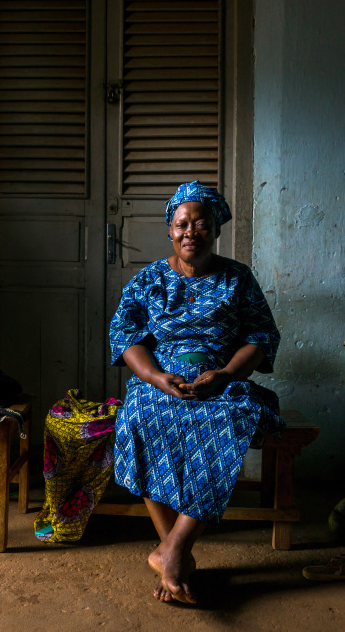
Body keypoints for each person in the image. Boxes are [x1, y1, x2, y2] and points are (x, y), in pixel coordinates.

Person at [109, 180, 285, 604]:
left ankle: (171, 549)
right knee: (139, 416)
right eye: (182, 223)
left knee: (230, 418)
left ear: (216, 228)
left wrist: (225, 374)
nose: (191, 231)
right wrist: (154, 377)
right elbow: (123, 333)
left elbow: (262, 335)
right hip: (162, 379)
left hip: (220, 382)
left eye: (201, 223)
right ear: (170, 229)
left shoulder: (238, 278)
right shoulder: (150, 278)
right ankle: (177, 554)